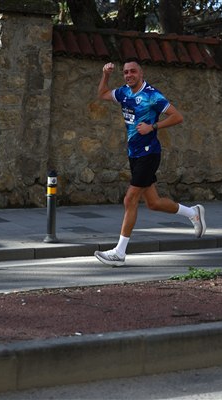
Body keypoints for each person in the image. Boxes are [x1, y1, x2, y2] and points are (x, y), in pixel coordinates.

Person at [94, 59, 206, 267]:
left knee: (130, 199)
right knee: (153, 203)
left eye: (133, 72)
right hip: (134, 154)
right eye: (126, 72)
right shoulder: (124, 93)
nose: (129, 75)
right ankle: (193, 213)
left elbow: (177, 117)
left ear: (141, 73)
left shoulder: (152, 95)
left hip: (149, 153)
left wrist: (152, 127)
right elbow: (102, 94)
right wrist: (106, 75)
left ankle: (119, 253)